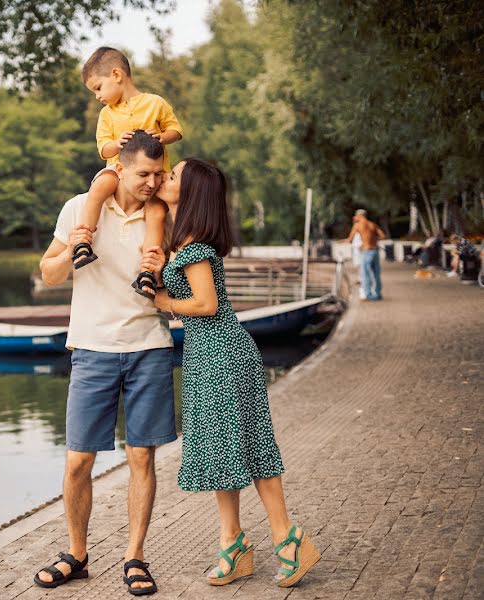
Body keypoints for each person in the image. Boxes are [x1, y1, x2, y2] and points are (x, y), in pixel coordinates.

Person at [149, 158, 320, 588]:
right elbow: (186, 291)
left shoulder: (197, 249)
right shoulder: (183, 243)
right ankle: (234, 544)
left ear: (189, 194)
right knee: (225, 453)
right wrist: (157, 273)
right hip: (208, 357)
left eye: (172, 177)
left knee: (252, 446)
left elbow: (206, 305)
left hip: (223, 354)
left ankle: (289, 538)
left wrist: (162, 303)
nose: (164, 179)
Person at [34, 131, 176, 596]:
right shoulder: (81, 207)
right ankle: (77, 554)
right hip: (92, 347)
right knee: (78, 461)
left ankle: (135, 556)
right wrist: (75, 246)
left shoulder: (163, 214)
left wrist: (165, 260)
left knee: (141, 456)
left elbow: (178, 284)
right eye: (144, 174)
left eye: (159, 174)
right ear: (120, 168)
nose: (153, 182)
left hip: (149, 345)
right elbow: (49, 272)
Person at [74, 47, 183, 300]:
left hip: (152, 176)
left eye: (99, 87)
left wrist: (162, 136)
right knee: (100, 187)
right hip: (119, 173)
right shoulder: (107, 115)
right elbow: (103, 149)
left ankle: (147, 271)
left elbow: (176, 130)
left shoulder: (155, 103)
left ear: (116, 74)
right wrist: (117, 143)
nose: (98, 96)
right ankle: (83, 242)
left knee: (156, 213)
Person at [344, 209, 386, 300]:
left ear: (359, 216)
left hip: (366, 251)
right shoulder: (372, 224)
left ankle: (368, 294)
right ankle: (378, 294)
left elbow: (350, 239)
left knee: (365, 274)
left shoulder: (357, 225)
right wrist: (374, 240)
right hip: (375, 251)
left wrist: (341, 241)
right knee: (376, 274)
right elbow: (382, 236)